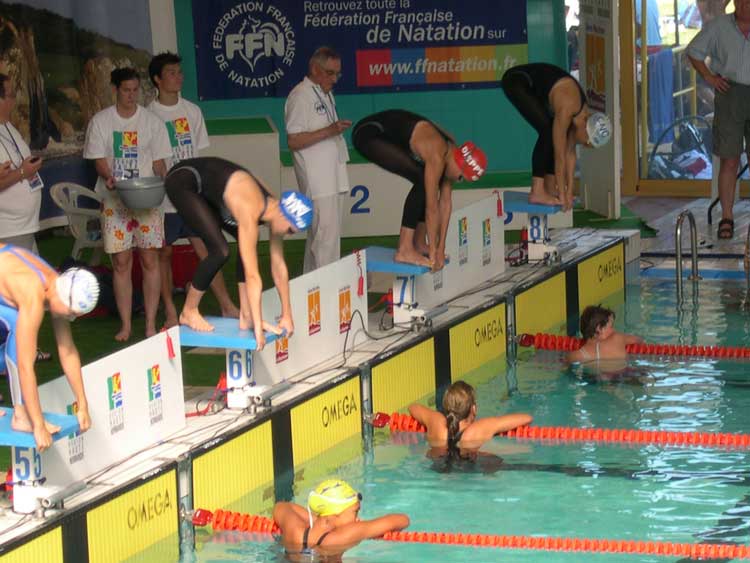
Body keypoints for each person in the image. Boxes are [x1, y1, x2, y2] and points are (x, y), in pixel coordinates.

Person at [164, 156, 313, 350]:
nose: (288, 234)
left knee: (248, 244)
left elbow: (278, 265)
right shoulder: (251, 208)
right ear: (284, 215)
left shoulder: (275, 209)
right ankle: (189, 311)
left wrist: (287, 314)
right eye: (291, 230)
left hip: (213, 192)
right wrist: (258, 326)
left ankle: (245, 315)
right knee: (220, 250)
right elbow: (252, 276)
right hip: (184, 181)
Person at [147, 52, 240, 327]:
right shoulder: (149, 115)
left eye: (180, 72)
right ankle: (170, 312)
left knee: (209, 249)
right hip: (163, 199)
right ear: (157, 79)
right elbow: (153, 159)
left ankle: (226, 306)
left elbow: (199, 156)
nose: (178, 77)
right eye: (171, 73)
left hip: (192, 196)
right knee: (163, 253)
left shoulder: (192, 111)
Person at [84, 67, 172, 341]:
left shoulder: (152, 122)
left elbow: (159, 162)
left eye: (135, 90)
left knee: (150, 259)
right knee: (121, 262)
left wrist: (164, 181)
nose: (132, 95)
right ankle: (126, 325)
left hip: (147, 199)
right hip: (115, 199)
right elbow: (98, 159)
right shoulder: (101, 121)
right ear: (115, 90)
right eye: (126, 90)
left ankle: (150, 324)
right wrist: (108, 176)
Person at [352, 110, 487, 270]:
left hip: (387, 134)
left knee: (427, 180)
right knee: (423, 179)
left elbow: (445, 204)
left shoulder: (452, 157)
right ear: (459, 163)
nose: (459, 180)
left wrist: (440, 248)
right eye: (461, 176)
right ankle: (404, 249)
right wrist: (433, 254)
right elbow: (432, 208)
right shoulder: (437, 155)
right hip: (369, 132)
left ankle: (419, 242)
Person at [0, 244, 99, 451]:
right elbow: (25, 366)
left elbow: (67, 350)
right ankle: (21, 416)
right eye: (71, 313)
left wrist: (82, 404)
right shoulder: (32, 292)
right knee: (18, 328)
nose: (70, 318)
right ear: (63, 298)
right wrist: (37, 424)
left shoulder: (57, 285)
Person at [501, 63, 613, 211]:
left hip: (533, 86)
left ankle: (549, 186)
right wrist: (562, 194)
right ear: (586, 129)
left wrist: (569, 191)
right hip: (517, 80)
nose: (584, 144)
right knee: (548, 132)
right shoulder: (569, 107)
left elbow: (570, 153)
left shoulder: (581, 116)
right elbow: (560, 156)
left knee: (553, 134)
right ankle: (537, 191)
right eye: (587, 142)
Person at [687, 0, 750, 239]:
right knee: (729, 159)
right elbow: (693, 51)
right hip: (730, 93)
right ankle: (727, 217)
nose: (745, 4)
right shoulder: (720, 26)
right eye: (741, 0)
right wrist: (709, 77)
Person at [285, 46, 351, 273]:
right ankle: (326, 289)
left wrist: (332, 130)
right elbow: (293, 140)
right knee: (324, 242)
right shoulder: (300, 96)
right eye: (330, 73)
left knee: (324, 240)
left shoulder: (324, 93)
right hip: (318, 182)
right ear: (314, 69)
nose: (334, 79)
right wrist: (329, 130)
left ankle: (312, 288)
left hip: (333, 177)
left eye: (337, 73)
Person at [273, 479, 409, 559]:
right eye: (355, 512)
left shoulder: (295, 531)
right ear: (335, 514)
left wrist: (318, 521)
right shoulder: (340, 537)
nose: (358, 519)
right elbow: (402, 520)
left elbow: (281, 507)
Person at [408, 381, 532, 462]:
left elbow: (412, 407)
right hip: (472, 471)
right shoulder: (477, 430)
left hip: (439, 470)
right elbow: (526, 418)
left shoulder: (437, 424)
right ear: (473, 409)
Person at [568, 305, 643, 364]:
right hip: (627, 375)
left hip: (595, 378)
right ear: (599, 328)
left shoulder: (577, 355)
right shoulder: (617, 338)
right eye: (611, 326)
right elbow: (639, 339)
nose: (613, 330)